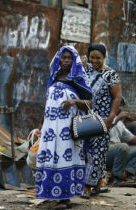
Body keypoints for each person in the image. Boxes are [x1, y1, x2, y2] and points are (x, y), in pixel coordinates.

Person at [35, 46, 92, 209]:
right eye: (64, 57)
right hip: (50, 128)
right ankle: (52, 193)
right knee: (50, 158)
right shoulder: (53, 77)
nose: (66, 60)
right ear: (59, 59)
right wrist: (41, 124)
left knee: (64, 158)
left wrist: (74, 102)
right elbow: (48, 103)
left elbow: (89, 103)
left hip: (67, 128)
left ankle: (65, 199)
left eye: (69, 58)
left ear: (74, 61)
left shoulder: (78, 79)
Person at [82, 43, 122, 198]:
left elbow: (117, 97)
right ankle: (99, 180)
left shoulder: (110, 74)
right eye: (92, 57)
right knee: (85, 151)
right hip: (85, 117)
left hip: (102, 119)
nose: (94, 61)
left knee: (97, 152)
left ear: (104, 57)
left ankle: (88, 186)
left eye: (98, 58)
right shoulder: (85, 70)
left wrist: (111, 117)